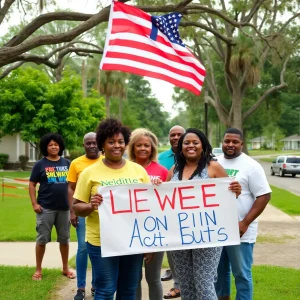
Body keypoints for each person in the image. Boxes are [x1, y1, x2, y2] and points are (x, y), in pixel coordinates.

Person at [72, 118, 154, 300]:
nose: (116, 146)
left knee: (128, 290)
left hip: (133, 241)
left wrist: (149, 242)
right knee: (106, 290)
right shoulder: (89, 173)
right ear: (102, 144)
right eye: (111, 142)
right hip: (101, 241)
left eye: (120, 141)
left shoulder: (138, 171)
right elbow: (76, 206)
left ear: (126, 144)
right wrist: (91, 205)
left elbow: (149, 207)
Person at [168, 128, 241, 300]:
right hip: (181, 235)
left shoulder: (213, 167)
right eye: (186, 143)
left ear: (203, 146)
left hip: (208, 234)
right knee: (185, 284)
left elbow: (231, 194)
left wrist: (237, 189)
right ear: (181, 147)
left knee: (203, 282)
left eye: (195, 142)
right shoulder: (174, 170)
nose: (190, 146)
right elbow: (162, 200)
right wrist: (156, 184)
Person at [215, 128, 271, 300]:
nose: (230, 144)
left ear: (241, 144)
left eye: (234, 142)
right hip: (217, 230)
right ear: (222, 143)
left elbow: (264, 195)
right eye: (227, 141)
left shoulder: (252, 166)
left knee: (241, 275)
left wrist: (245, 222)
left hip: (241, 231)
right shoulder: (214, 162)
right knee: (219, 275)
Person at [127, 128, 169, 300]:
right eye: (139, 145)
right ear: (132, 148)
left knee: (153, 278)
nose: (143, 148)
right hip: (131, 229)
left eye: (147, 145)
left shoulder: (162, 171)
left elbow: (170, 202)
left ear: (152, 148)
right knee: (134, 278)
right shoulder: (125, 169)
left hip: (155, 229)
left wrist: (161, 187)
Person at [29, 133, 75, 281]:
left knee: (64, 240)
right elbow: (31, 184)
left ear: (60, 146)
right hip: (45, 209)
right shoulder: (40, 164)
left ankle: (65, 268)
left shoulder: (67, 163)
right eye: (50, 145)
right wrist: (34, 203)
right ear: (45, 147)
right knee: (42, 240)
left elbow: (72, 185)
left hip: (64, 208)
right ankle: (38, 270)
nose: (54, 147)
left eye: (56, 144)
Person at [67, 132, 101, 300]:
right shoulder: (76, 163)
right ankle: (81, 287)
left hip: (101, 214)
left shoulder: (105, 161)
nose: (92, 145)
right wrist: (72, 211)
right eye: (88, 143)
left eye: (94, 142)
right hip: (81, 211)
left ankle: (96, 285)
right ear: (84, 145)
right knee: (82, 248)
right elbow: (71, 188)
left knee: (97, 249)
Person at [158, 125, 185, 299]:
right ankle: (177, 282)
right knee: (172, 250)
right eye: (172, 135)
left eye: (179, 135)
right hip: (168, 212)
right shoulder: (161, 158)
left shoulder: (193, 155)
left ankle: (182, 284)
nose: (175, 137)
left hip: (192, 214)